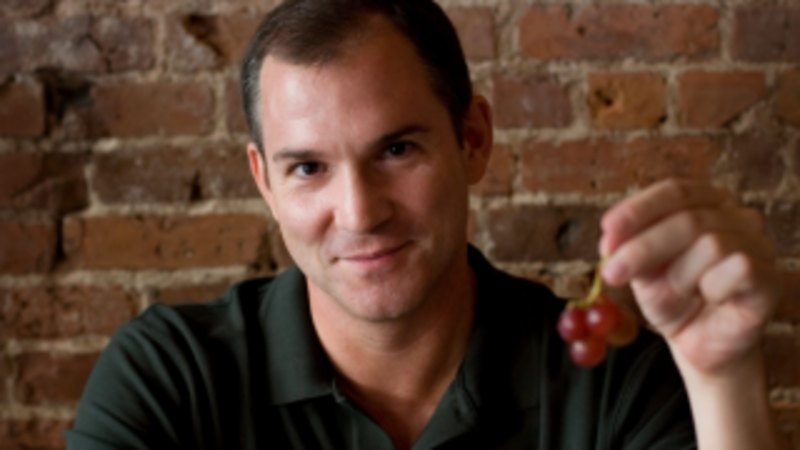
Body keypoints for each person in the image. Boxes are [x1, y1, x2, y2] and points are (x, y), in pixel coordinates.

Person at [66, 0, 787, 448]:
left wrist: (724, 377)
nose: (360, 213)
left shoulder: (610, 382)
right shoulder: (172, 377)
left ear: (472, 140)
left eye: (397, 150)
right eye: (309, 167)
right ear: (264, 181)